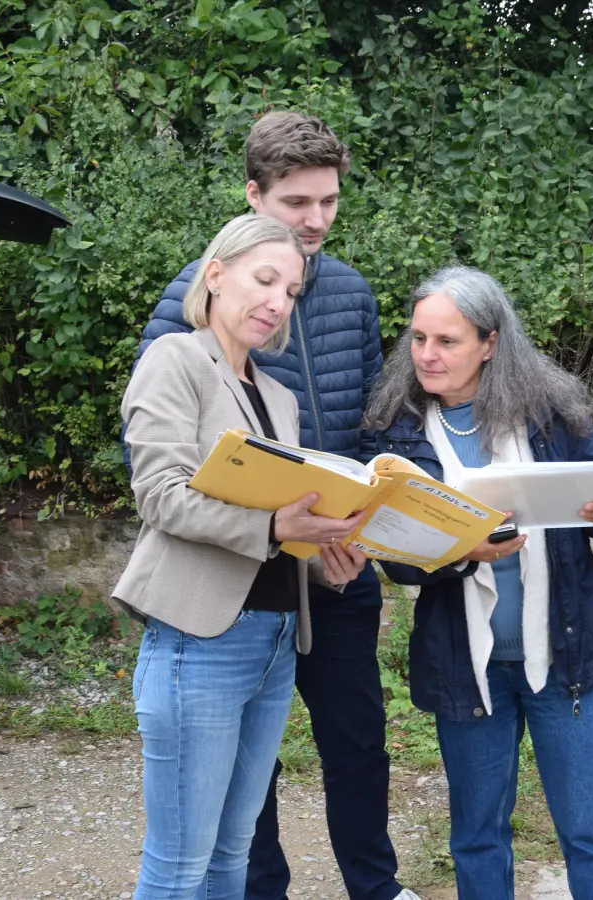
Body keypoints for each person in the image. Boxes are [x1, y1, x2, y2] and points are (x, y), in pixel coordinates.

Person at [130, 112, 417, 900]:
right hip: (221, 601)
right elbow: (160, 472)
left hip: (314, 583)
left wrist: (356, 528)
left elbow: (368, 425)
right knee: (216, 827)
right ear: (251, 203)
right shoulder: (182, 331)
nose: (317, 221)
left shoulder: (330, 321)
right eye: (297, 204)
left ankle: (376, 887)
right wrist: (270, 527)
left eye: (329, 202)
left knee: (353, 745)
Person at [363, 266, 593, 900]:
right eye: (418, 339)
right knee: (477, 836)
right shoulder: (395, 432)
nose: (427, 356)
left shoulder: (550, 413)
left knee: (591, 830)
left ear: (490, 342)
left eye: (447, 341)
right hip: (468, 667)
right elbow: (399, 562)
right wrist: (463, 551)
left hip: (568, 657)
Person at [114, 213, 369, 899]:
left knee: (233, 858)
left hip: (277, 640)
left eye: (289, 290)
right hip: (201, 642)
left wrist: (322, 556)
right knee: (178, 867)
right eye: (264, 280)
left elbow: (277, 526)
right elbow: (160, 497)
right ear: (216, 273)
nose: (276, 302)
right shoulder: (173, 360)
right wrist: (273, 527)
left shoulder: (279, 398)